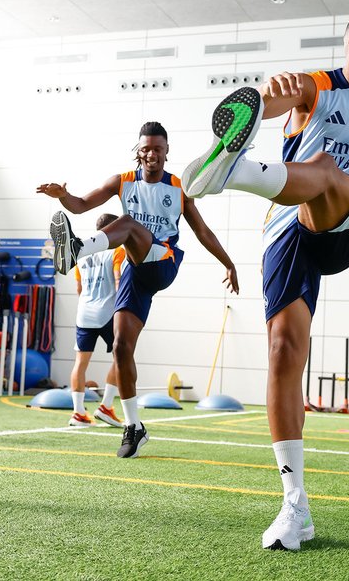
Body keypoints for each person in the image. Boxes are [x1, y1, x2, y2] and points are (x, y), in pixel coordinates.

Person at [182, 10, 349, 550]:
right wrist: (266, 96)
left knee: (325, 169)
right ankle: (294, 504)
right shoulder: (316, 88)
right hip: (289, 231)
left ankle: (235, 172)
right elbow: (262, 106)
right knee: (283, 352)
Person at [37, 121, 238, 458]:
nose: (151, 154)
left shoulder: (179, 188)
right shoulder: (122, 181)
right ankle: (134, 427)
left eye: (157, 149)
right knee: (120, 348)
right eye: (145, 148)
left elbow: (203, 232)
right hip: (134, 271)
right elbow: (82, 205)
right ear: (138, 150)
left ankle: (77, 249)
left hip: (163, 262)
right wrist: (63, 197)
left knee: (129, 225)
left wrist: (228, 263)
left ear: (166, 151)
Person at [69, 213, 126, 428]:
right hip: (108, 312)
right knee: (121, 357)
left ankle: (78, 413)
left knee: (80, 364)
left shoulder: (82, 255)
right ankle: (106, 406)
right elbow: (119, 280)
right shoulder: (117, 251)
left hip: (84, 313)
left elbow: (79, 289)